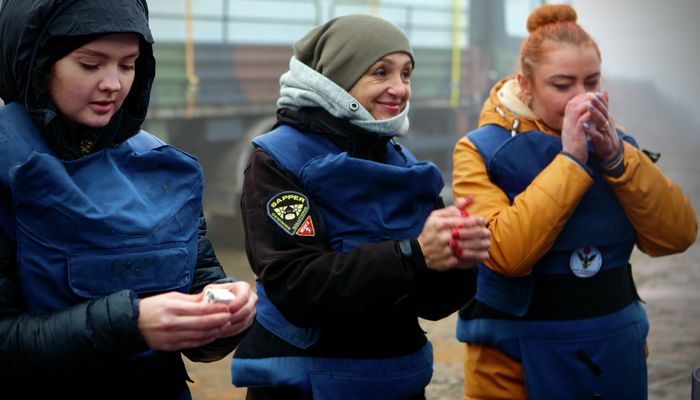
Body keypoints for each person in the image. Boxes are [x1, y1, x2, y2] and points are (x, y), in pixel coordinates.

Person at [0, 0, 257, 397]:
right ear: (37, 62)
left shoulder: (163, 167)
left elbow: (200, 292)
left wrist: (223, 314)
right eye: (91, 64)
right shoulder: (7, 166)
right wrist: (131, 325)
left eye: (128, 64)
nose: (114, 84)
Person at [230, 14, 491, 400]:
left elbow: (434, 305)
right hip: (305, 387)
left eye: (406, 73)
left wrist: (457, 257)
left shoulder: (405, 165)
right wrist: (413, 254)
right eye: (380, 72)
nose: (399, 88)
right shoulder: (278, 160)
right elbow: (297, 286)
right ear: (338, 77)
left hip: (399, 382)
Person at [452, 4, 698, 399]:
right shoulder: (479, 149)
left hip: (613, 348)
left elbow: (677, 235)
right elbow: (505, 254)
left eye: (592, 82)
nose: (581, 98)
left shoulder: (618, 144)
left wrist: (618, 160)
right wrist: (570, 161)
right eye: (563, 85)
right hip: (512, 361)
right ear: (526, 86)